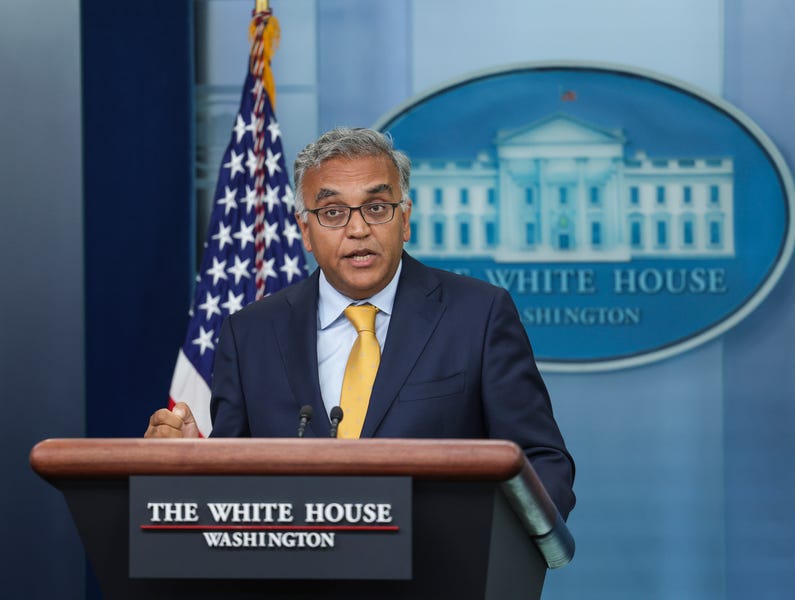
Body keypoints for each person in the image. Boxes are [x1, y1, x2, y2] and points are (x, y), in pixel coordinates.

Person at [146, 127, 576, 519]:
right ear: (305, 231)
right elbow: (232, 487)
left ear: (404, 219)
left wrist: (496, 547)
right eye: (332, 212)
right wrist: (189, 462)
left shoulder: (478, 315)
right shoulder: (250, 333)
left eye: (376, 207)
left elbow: (542, 460)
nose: (357, 229)